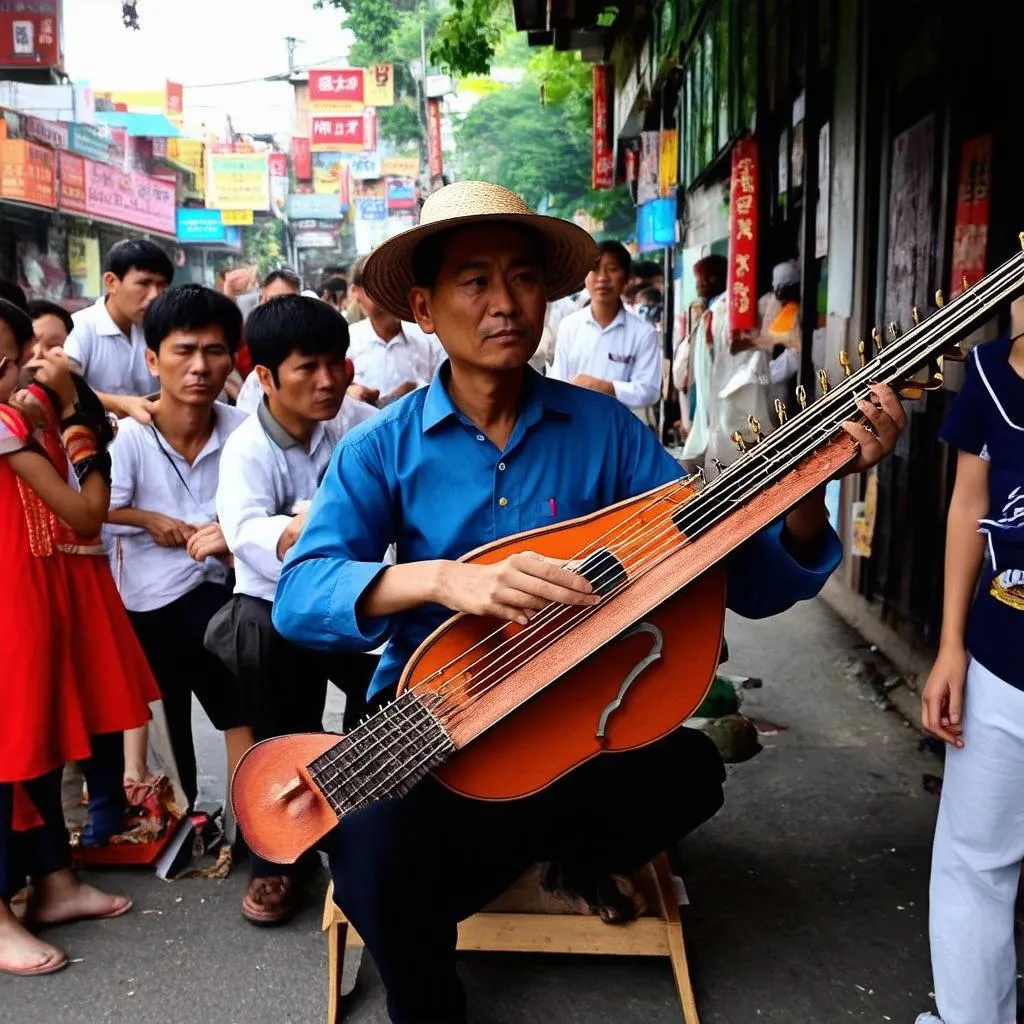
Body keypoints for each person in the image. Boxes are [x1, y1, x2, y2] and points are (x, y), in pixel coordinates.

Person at [270, 180, 907, 1023]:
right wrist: (445, 579)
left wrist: (801, 497)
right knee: (369, 856)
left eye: (526, 278)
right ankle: (432, 1000)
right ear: (424, 308)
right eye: (476, 281)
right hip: (437, 719)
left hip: (577, 719)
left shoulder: (608, 435)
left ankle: (559, 853)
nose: (506, 303)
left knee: (695, 773)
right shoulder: (379, 448)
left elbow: (736, 583)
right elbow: (301, 593)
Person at [211, 295, 378, 925]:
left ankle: (367, 831)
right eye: (308, 367)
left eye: (336, 363)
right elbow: (247, 531)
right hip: (277, 606)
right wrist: (311, 527)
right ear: (266, 376)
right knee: (278, 708)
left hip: (358, 599)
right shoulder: (247, 449)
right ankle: (279, 860)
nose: (328, 381)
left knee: (393, 699)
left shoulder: (362, 422)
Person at [0, 305, 145, 977]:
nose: (23, 367)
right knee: (10, 757)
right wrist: (74, 414)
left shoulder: (18, 418)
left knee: (39, 745)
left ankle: (53, 882)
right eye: (16, 359)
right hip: (13, 604)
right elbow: (87, 512)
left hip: (35, 594)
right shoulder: (11, 421)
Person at [104, 285, 249, 809]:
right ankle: (185, 816)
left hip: (222, 598)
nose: (200, 367)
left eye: (214, 352)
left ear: (231, 359)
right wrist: (147, 520)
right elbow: (92, 511)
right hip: (148, 603)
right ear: (152, 359)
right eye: (184, 351)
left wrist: (229, 535)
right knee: (169, 722)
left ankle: (250, 822)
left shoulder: (243, 432)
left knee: (240, 709)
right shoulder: (129, 440)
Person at [915, 332, 1024, 1024]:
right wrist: (951, 644)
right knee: (975, 868)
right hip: (1000, 659)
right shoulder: (988, 371)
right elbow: (966, 507)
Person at [64, 239, 173, 425]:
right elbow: (64, 386)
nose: (154, 294)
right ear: (111, 282)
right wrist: (120, 404)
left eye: (161, 285)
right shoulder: (82, 327)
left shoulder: (164, 327)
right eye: (144, 283)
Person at [548, 240, 662, 417]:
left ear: (626, 278)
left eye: (612, 269)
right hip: (576, 425)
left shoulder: (643, 332)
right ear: (584, 277)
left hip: (622, 430)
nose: (602, 277)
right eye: (595, 269)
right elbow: (558, 382)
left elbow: (649, 390)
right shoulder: (569, 326)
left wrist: (607, 387)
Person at [347, 257, 440, 408]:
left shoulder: (430, 338)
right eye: (375, 287)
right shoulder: (348, 341)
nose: (386, 296)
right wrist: (349, 391)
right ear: (355, 291)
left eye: (393, 285)